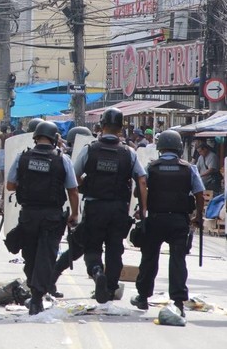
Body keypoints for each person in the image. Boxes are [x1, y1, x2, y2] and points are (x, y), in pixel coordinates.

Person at [74, 107, 147, 304]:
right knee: (115, 249)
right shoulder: (129, 153)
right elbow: (141, 180)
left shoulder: (89, 149)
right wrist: (144, 209)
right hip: (118, 209)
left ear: (102, 126)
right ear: (120, 129)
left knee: (92, 246)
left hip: (94, 206)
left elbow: (73, 177)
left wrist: (86, 185)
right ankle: (110, 288)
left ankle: (97, 271)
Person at [6, 121, 79, 315]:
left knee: (29, 255)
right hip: (53, 217)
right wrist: (74, 213)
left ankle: (34, 290)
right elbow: (72, 189)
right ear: (55, 139)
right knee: (46, 256)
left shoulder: (23, 157)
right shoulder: (62, 160)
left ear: (35, 137)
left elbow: (10, 186)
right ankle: (37, 297)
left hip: (29, 215)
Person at [130, 130, 205, 317]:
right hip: (179, 220)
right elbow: (199, 194)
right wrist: (198, 217)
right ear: (179, 147)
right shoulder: (189, 168)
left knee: (149, 258)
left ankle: (143, 297)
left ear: (160, 148)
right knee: (178, 260)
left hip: (155, 219)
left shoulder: (151, 167)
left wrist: (144, 210)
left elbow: (139, 189)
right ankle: (178, 301)